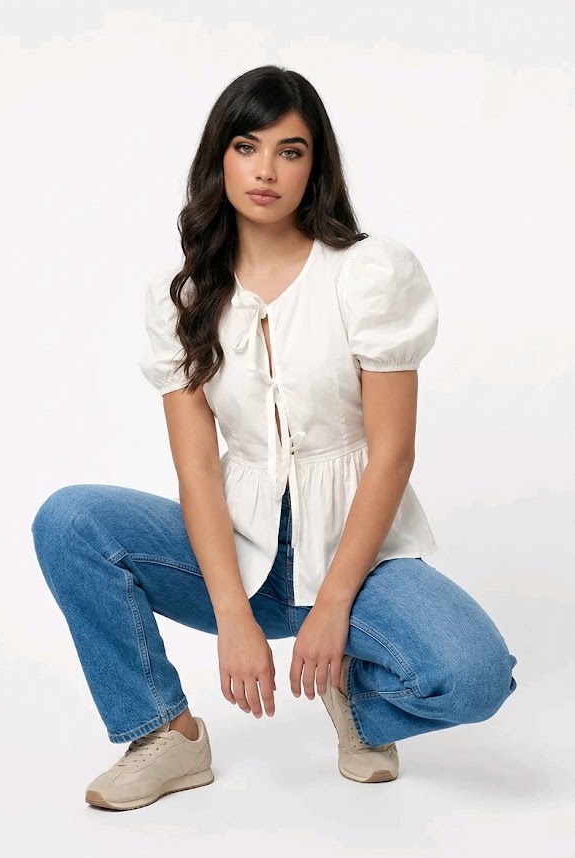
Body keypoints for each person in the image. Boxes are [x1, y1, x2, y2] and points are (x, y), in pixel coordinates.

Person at [31, 64, 518, 811]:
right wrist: (232, 616)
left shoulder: (367, 274)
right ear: (219, 159)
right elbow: (197, 471)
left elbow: (392, 453)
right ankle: (165, 734)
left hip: (359, 556)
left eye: (290, 151)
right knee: (70, 519)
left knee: (475, 675)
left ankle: (356, 698)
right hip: (239, 552)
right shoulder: (184, 295)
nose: (265, 170)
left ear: (314, 167)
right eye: (246, 147)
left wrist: (332, 603)